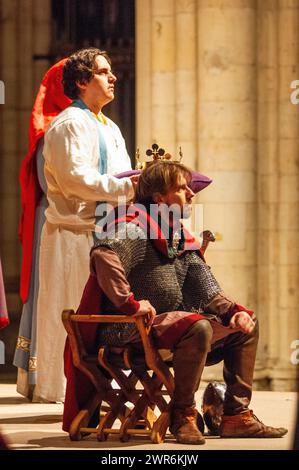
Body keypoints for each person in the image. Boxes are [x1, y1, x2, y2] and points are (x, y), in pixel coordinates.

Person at [67, 159, 288, 445]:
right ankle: (183, 415)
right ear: (160, 197)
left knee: (245, 327)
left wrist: (233, 312)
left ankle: (236, 416)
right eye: (182, 189)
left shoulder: (176, 233)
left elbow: (206, 288)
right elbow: (103, 255)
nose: (191, 194)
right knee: (198, 328)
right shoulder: (135, 226)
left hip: (168, 328)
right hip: (125, 331)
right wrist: (131, 304)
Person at [35, 47, 136, 403]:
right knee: (75, 311)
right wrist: (126, 187)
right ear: (81, 81)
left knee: (106, 313)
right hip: (74, 234)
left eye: (111, 72)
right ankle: (70, 391)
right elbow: (76, 178)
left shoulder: (110, 126)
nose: (113, 77)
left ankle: (106, 386)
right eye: (103, 72)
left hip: (107, 234)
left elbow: (122, 175)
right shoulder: (67, 124)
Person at [13, 59, 71, 400]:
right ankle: (43, 376)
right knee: (48, 292)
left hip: (59, 217)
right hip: (53, 220)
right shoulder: (53, 128)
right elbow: (55, 185)